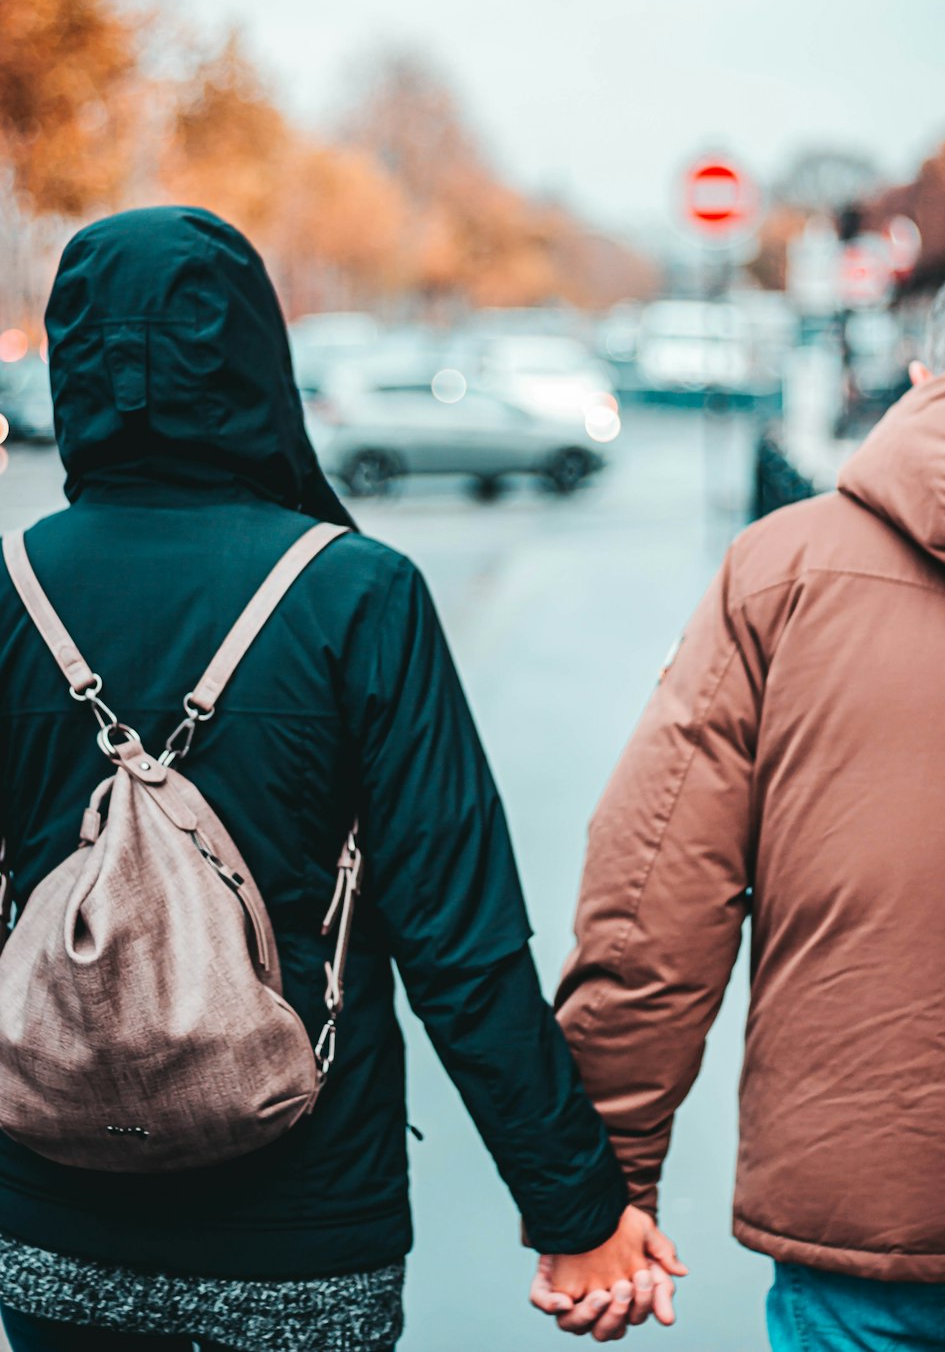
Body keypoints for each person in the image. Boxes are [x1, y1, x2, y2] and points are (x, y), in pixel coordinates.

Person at [0, 205, 677, 1352]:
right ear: (258, 354)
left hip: (57, 1218)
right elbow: (460, 946)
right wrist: (577, 1210)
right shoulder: (357, 593)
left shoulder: (13, 589)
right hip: (306, 1223)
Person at [540, 242, 945, 1349]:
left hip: (872, 1214)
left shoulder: (783, 571)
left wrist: (603, 1194)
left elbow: (656, 901)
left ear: (928, 384)